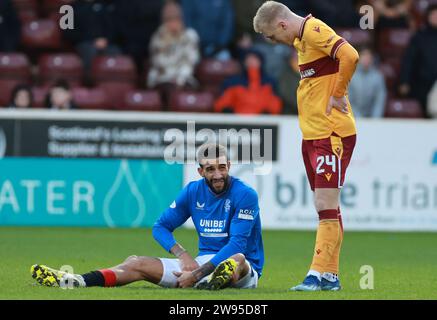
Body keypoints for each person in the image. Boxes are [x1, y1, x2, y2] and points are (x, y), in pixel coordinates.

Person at [30, 144, 264, 290]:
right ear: (200, 171)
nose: (217, 174)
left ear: (230, 166)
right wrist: (182, 255)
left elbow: (237, 243)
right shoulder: (193, 191)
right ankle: (76, 281)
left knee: (237, 259)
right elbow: (160, 226)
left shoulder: (245, 195)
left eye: (222, 167)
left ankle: (213, 279)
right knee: (136, 263)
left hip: (244, 270)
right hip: (200, 265)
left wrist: (196, 274)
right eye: (210, 169)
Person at [253, 1, 359, 291]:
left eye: (274, 36)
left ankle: (315, 275)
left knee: (325, 206)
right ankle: (330, 277)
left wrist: (339, 93)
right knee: (328, 208)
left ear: (282, 24)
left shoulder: (313, 30)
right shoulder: (303, 40)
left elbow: (350, 54)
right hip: (314, 135)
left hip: (331, 134)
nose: (276, 42)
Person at [147, 0, 200, 107]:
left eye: (176, 19)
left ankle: (188, 123)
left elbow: (190, 61)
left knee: (186, 91)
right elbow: (158, 62)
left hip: (184, 77)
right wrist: (168, 42)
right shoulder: (158, 37)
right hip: (162, 77)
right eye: (169, 20)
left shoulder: (189, 36)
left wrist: (179, 79)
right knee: (167, 90)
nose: (173, 23)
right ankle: (167, 121)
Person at [214, 49, 282, 115]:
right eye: (248, 59)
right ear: (244, 62)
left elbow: (275, 105)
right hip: (237, 122)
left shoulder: (270, 83)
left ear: (261, 62)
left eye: (255, 59)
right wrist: (228, 113)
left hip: (263, 123)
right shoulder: (233, 82)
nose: (251, 62)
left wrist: (267, 114)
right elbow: (222, 104)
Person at [399, 4, 437, 118]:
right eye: (434, 15)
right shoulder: (419, 37)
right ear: (428, 17)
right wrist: (404, 81)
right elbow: (409, 60)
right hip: (422, 83)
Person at [63, 0, 121, 73]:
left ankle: (114, 81)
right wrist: (90, 40)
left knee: (115, 51)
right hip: (83, 43)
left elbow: (113, 27)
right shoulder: (71, 8)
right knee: (90, 51)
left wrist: (106, 40)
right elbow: (68, 32)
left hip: (105, 43)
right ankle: (89, 80)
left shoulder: (105, 6)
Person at [348, 47, 387, 118]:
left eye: (369, 57)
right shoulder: (351, 76)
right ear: (358, 58)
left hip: (373, 119)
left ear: (372, 59)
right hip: (354, 117)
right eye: (364, 56)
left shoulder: (378, 77)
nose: (366, 59)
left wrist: (375, 119)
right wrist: (359, 118)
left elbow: (379, 100)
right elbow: (348, 101)